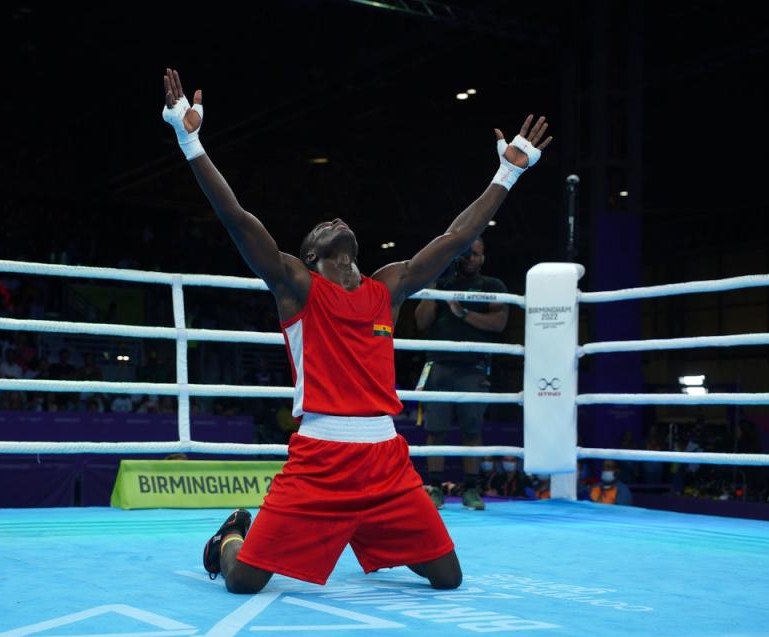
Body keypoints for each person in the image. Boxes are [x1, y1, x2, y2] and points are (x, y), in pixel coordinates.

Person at [162, 68, 551, 594]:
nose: (334, 221)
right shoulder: (295, 288)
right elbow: (236, 217)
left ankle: (365, 531)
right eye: (321, 228)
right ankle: (229, 538)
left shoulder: (387, 287)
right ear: (309, 257)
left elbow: (457, 238)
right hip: (320, 458)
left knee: (448, 577)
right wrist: (191, 142)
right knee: (245, 581)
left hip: (385, 459)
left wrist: (506, 175)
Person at [414, 236, 508, 511]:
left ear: (483, 257)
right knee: (436, 431)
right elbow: (421, 322)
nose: (471, 259)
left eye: (476, 254)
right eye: (466, 254)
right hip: (439, 366)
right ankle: (434, 488)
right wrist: (435, 283)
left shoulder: (491, 285)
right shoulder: (442, 283)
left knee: (471, 430)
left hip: (473, 369)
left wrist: (462, 313)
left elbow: (499, 323)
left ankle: (471, 488)